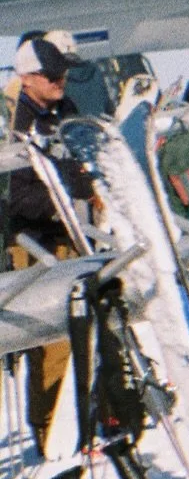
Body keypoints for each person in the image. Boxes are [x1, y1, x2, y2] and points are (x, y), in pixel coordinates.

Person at [5, 31, 95, 455]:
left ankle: (63, 429)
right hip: (27, 240)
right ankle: (43, 434)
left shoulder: (65, 109)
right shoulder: (13, 122)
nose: (61, 81)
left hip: (67, 233)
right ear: (28, 77)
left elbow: (80, 162)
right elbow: (16, 196)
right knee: (41, 336)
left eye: (62, 73)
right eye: (52, 75)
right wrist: (65, 190)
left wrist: (83, 184)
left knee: (74, 331)